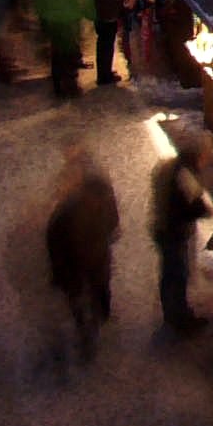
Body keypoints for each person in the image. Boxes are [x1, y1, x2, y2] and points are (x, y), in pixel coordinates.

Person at [43, 147, 120, 361]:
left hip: (95, 263)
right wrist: (61, 272)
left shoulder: (103, 203)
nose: (99, 203)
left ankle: (96, 323)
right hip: (73, 268)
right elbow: (55, 243)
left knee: (97, 296)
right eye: (97, 199)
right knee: (78, 303)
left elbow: (112, 222)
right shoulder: (66, 213)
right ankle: (85, 335)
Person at [150, 134, 212, 333]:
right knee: (177, 273)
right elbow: (191, 205)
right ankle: (179, 317)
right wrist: (204, 210)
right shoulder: (185, 172)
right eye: (206, 154)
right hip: (173, 231)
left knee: (170, 272)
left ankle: (173, 314)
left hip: (164, 227)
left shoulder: (173, 166)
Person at [27, 0, 92, 101]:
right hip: (65, 16)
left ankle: (58, 85)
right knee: (68, 51)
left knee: (57, 51)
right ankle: (70, 84)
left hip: (50, 17)